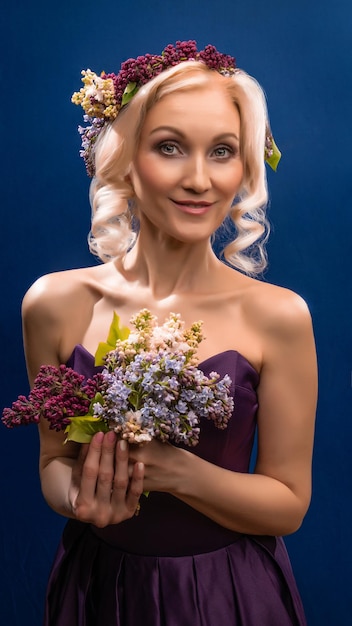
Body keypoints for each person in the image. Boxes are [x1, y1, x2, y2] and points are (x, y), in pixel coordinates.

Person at [22, 41, 317, 625]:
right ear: (126, 159)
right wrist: (78, 501)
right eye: (170, 148)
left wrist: (178, 472)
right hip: (98, 591)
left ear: (245, 167)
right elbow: (53, 460)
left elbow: (288, 505)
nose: (200, 179)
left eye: (223, 151)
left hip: (228, 595)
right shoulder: (54, 303)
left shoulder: (280, 316)